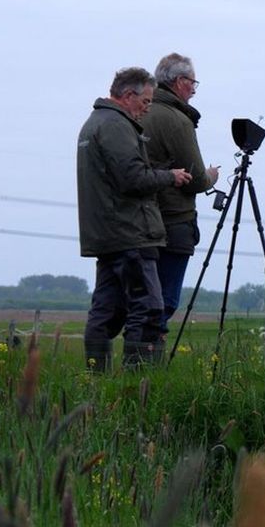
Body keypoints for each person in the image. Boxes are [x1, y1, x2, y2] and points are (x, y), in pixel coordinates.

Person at [77, 67, 193, 371]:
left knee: (105, 313)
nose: (146, 108)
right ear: (128, 95)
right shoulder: (115, 125)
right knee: (150, 310)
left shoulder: (94, 124)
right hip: (131, 234)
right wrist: (170, 175)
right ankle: (138, 385)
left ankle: (96, 381)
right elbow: (132, 178)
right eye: (145, 102)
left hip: (108, 236)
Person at [141, 53, 219, 335]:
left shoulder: (141, 112)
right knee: (164, 301)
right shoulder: (177, 120)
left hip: (140, 220)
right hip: (174, 221)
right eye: (193, 83)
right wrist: (211, 176)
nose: (194, 90)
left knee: (142, 299)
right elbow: (196, 179)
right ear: (180, 82)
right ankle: (149, 360)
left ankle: (135, 359)